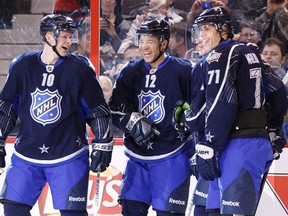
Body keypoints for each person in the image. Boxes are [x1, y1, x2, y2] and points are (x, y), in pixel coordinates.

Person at [0, 14, 114, 216]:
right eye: (64, 36)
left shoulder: (80, 68)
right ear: (48, 37)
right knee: (12, 209)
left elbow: (97, 110)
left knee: (73, 214)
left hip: (68, 155)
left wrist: (103, 141)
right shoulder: (22, 66)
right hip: (26, 155)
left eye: (71, 37)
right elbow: (7, 107)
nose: (69, 42)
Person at [185, 7, 287, 216]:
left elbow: (221, 101)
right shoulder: (247, 52)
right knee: (207, 209)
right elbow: (277, 90)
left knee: (221, 212)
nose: (199, 38)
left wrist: (207, 144)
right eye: (198, 31)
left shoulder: (222, 54)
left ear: (223, 29)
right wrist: (274, 130)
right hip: (242, 143)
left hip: (235, 145)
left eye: (206, 29)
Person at [109, 17, 194, 216]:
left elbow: (200, 108)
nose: (144, 46)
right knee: (131, 210)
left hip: (173, 157)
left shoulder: (184, 71)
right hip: (137, 158)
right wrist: (132, 120)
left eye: (150, 41)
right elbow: (115, 109)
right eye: (141, 40)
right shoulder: (129, 72)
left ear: (164, 43)